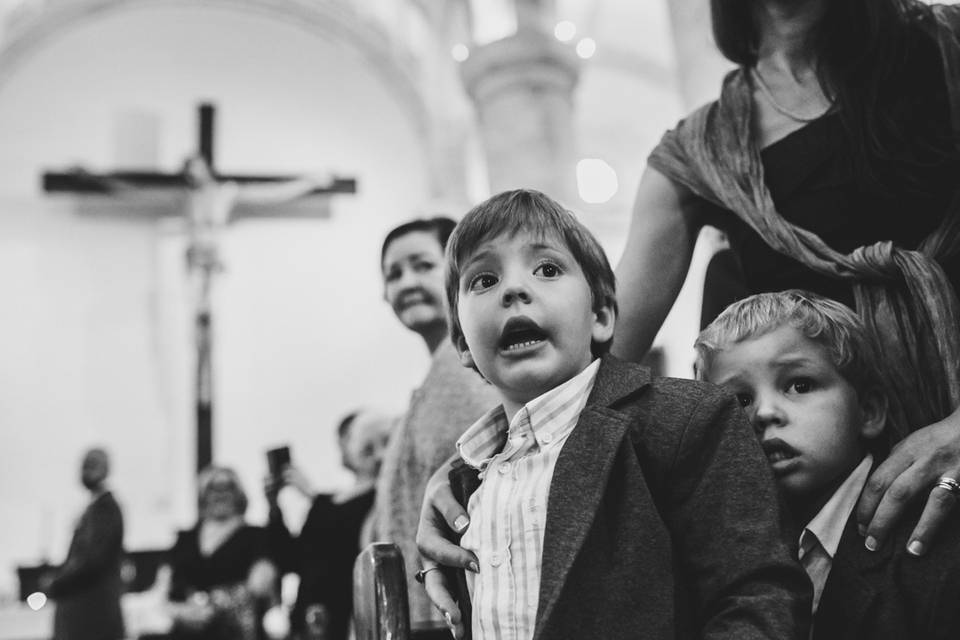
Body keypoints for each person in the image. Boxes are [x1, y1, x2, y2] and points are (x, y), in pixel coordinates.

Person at [611, 0, 960, 557]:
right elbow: (593, 364)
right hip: (838, 507)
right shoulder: (702, 149)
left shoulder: (947, 43)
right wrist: (475, 465)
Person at [421, 189, 810, 639]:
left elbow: (757, 596)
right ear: (465, 347)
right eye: (484, 280)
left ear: (601, 315)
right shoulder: (467, 480)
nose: (513, 289)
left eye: (547, 269)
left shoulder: (685, 420)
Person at [695, 290, 960, 639]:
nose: (764, 413)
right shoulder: (715, 553)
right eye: (740, 399)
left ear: (869, 412)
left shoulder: (933, 546)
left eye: (799, 384)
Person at [373, 217, 499, 637]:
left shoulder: (473, 367)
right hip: (420, 613)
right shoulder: (435, 377)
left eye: (422, 265)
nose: (406, 281)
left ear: (457, 273)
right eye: (394, 273)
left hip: (456, 613)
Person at [266, 410, 394, 640]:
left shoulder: (381, 500)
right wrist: (274, 509)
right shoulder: (327, 502)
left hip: (349, 619)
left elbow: (345, 541)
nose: (377, 456)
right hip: (307, 621)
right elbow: (291, 559)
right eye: (367, 448)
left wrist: (312, 496)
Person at [166, 466, 277, 640]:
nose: (220, 494)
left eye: (228, 487)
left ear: (238, 494)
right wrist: (184, 612)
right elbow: (165, 590)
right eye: (213, 488)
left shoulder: (255, 535)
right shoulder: (185, 539)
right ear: (203, 495)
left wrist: (216, 602)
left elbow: (261, 585)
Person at [44, 447, 125, 640]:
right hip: (83, 615)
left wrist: (57, 583)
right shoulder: (94, 509)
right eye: (84, 466)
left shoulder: (106, 509)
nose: (86, 471)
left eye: (93, 465)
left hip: (93, 617)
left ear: (105, 470)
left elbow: (92, 560)